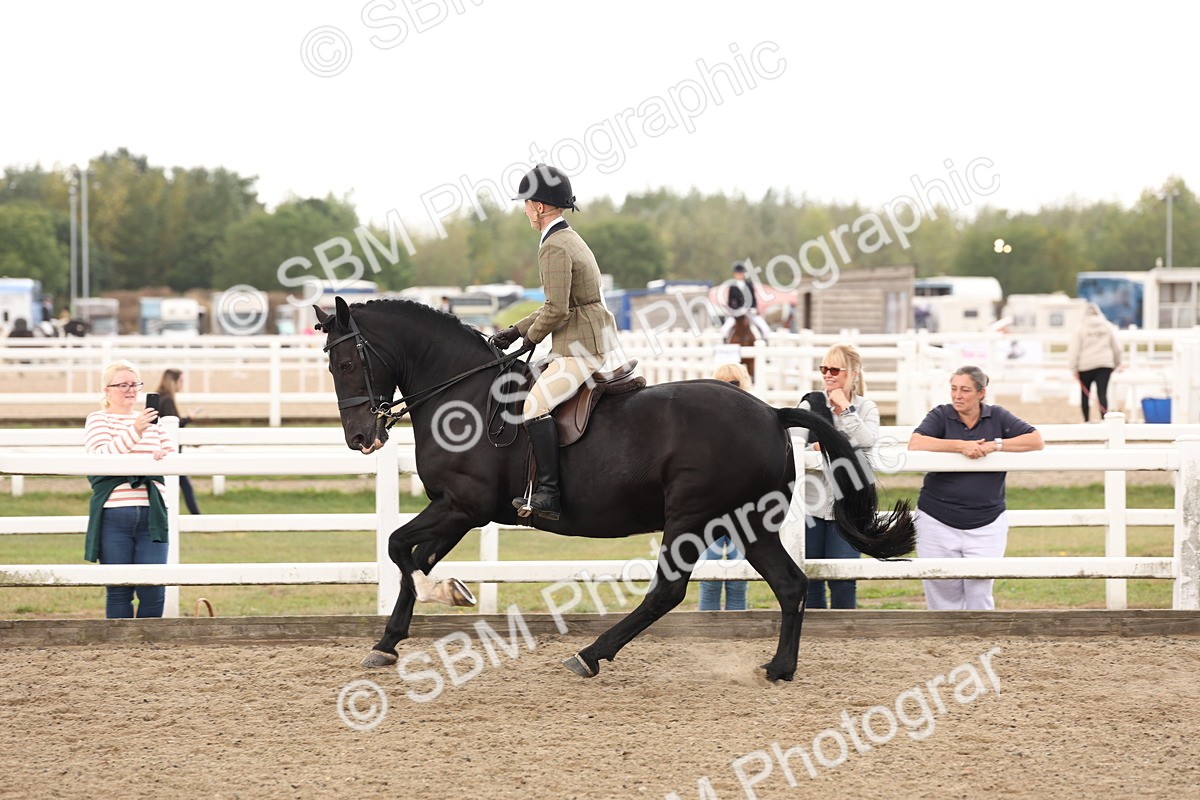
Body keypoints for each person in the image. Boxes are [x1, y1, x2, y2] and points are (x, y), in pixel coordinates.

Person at [488, 164, 620, 521]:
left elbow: (557, 310)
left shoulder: (555, 247)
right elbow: (557, 306)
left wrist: (526, 336)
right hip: (582, 338)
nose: (524, 209)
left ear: (540, 207)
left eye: (527, 203)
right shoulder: (566, 237)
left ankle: (549, 492)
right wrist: (516, 330)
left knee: (533, 407)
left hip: (581, 346)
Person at [907, 366, 1044, 611]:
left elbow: (1035, 440)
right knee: (940, 588)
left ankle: (980, 641)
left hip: (987, 520)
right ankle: (945, 642)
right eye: (954, 389)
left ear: (981, 393)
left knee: (979, 589)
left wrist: (995, 445)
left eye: (965, 390)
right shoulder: (941, 415)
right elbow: (916, 443)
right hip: (936, 518)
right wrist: (960, 446)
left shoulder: (998, 416)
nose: (957, 395)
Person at [84, 360, 175, 618]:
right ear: (107, 389)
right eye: (122, 384)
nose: (130, 390)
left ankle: (149, 645)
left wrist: (160, 455)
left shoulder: (151, 421)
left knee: (154, 589)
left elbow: (170, 455)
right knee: (119, 588)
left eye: (134, 384)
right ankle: (119, 647)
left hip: (153, 511)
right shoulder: (98, 420)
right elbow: (102, 456)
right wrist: (136, 430)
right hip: (114, 512)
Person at [795, 344, 876, 609]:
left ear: (852, 374)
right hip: (812, 505)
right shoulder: (811, 403)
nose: (828, 375)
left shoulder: (866, 408)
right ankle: (815, 634)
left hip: (850, 506)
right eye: (824, 369)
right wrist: (818, 448)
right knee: (811, 578)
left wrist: (845, 409)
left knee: (843, 578)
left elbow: (867, 441)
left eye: (834, 370)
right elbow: (794, 445)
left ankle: (844, 633)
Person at [698, 363, 752, 611]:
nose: (729, 390)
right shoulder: (705, 421)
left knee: (738, 580)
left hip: (742, 511)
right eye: (723, 385)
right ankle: (705, 633)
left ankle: (736, 632)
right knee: (708, 579)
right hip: (710, 509)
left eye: (735, 384)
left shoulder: (756, 420)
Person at [157, 368, 202, 515]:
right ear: (173, 381)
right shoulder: (168, 399)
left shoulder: (160, 397)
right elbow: (173, 425)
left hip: (162, 448)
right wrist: (188, 418)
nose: (182, 384)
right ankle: (197, 517)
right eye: (181, 381)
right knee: (185, 486)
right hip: (170, 450)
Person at [1068, 302, 1122, 422]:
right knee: (1102, 393)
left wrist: (1073, 367)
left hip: (1085, 366)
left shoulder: (1080, 327)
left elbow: (1074, 349)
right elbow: (1117, 348)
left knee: (1085, 394)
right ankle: (1104, 420)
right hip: (1104, 364)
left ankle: (1086, 420)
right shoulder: (1107, 326)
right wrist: (1116, 363)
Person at [719, 262, 771, 341]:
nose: (739, 275)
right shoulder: (732, 287)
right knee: (724, 330)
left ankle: (764, 343)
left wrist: (753, 308)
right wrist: (735, 310)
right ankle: (725, 342)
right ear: (735, 274)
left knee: (765, 328)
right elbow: (730, 302)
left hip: (749, 312)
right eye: (737, 273)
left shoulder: (749, 285)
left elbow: (753, 299)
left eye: (741, 273)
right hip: (737, 314)